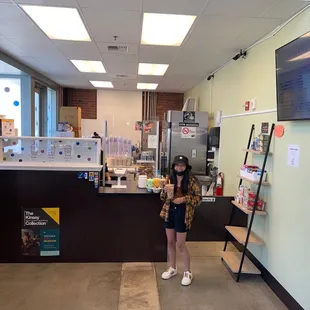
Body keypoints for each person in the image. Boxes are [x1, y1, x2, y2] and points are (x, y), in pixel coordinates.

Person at [160, 155, 201, 286]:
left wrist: (184, 199)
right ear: (173, 167)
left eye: (182, 165)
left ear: (186, 167)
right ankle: (172, 268)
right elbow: (162, 198)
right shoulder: (169, 179)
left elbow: (198, 199)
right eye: (177, 165)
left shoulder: (192, 181)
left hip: (183, 213)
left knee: (180, 244)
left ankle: (188, 271)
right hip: (169, 211)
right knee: (170, 242)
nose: (179, 167)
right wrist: (164, 190)